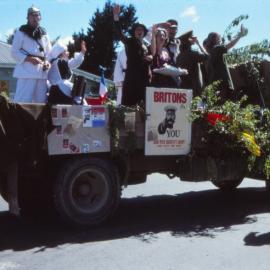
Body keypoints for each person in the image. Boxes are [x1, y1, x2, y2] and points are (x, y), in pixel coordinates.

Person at [113, 4, 153, 106]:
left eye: (141, 30)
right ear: (134, 32)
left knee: (143, 108)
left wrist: (150, 57)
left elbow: (150, 58)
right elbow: (120, 34)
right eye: (137, 30)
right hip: (131, 79)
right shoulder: (130, 41)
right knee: (129, 108)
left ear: (144, 33)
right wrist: (116, 16)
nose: (139, 31)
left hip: (143, 80)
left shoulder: (146, 45)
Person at [11, 6, 52, 103]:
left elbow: (49, 54)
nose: (34, 17)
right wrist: (29, 59)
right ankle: (19, 118)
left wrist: (48, 63)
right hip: (26, 72)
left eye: (37, 15)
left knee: (40, 102)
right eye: (32, 15)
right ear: (27, 17)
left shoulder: (44, 34)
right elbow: (14, 52)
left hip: (41, 73)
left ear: (40, 17)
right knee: (23, 101)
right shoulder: (21, 32)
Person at [205, 25, 246, 100]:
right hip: (222, 83)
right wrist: (240, 35)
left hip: (217, 82)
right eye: (218, 36)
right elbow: (230, 45)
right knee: (223, 104)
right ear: (214, 39)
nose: (220, 37)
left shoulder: (212, 51)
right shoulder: (216, 49)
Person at [176, 30, 208, 97]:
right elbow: (207, 57)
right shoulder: (193, 53)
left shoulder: (179, 56)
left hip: (183, 88)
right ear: (188, 40)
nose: (194, 38)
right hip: (195, 89)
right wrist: (198, 43)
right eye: (192, 37)